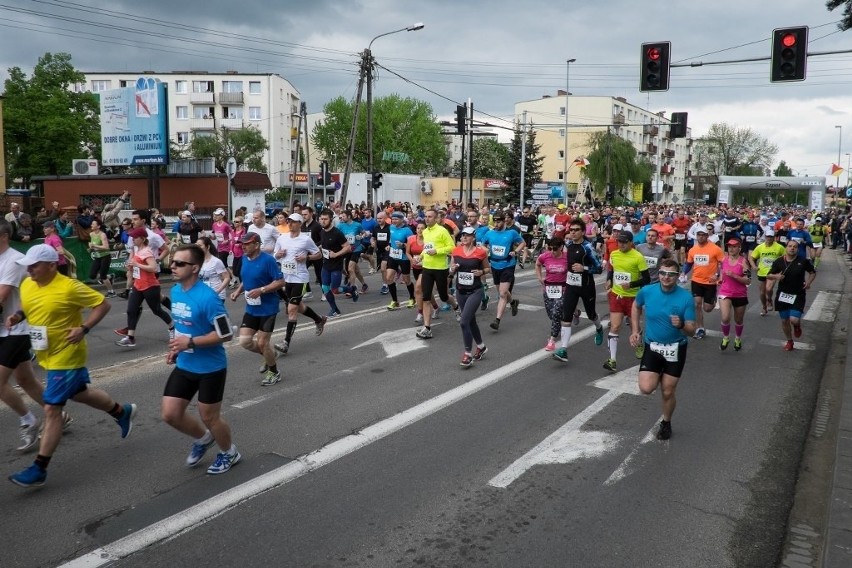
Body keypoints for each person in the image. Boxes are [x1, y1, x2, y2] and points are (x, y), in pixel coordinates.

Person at [8, 245, 136, 488]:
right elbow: (27, 306)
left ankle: (39, 468)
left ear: (52, 265)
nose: (30, 269)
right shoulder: (27, 284)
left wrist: (84, 328)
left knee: (52, 409)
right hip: (46, 353)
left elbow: (102, 304)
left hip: (67, 355)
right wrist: (17, 316)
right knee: (81, 394)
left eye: (34, 265)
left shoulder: (69, 287)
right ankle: (122, 412)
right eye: (28, 265)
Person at [163, 244, 241, 475]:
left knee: (209, 416)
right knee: (170, 414)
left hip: (210, 367)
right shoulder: (176, 291)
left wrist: (192, 342)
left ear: (195, 268)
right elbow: (182, 325)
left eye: (179, 263)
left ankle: (230, 452)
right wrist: (177, 347)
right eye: (172, 262)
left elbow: (226, 334)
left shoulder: (209, 299)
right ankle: (204, 439)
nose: (173, 266)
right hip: (185, 363)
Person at [0, 221, 72, 453]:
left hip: (16, 328)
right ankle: (60, 414)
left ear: (3, 236)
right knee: (26, 380)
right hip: (6, 329)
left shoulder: (13, 260)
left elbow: (2, 296)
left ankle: (29, 421)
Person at [629, 258, 696, 441]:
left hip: (676, 348)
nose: (666, 277)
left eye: (671, 274)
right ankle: (658, 373)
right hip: (653, 346)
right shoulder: (647, 291)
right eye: (663, 273)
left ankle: (666, 422)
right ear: (658, 274)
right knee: (646, 388)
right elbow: (635, 306)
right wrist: (635, 331)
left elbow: (692, 330)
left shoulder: (685, 298)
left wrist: (681, 325)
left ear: (677, 276)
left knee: (667, 391)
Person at [230, 232, 286, 385]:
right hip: (252, 308)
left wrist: (261, 290)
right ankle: (270, 355)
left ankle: (274, 372)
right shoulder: (244, 259)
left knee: (262, 343)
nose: (243, 246)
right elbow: (247, 279)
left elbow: (280, 282)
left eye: (247, 243)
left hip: (268, 308)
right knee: (245, 342)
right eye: (242, 243)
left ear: (256, 245)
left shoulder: (268, 260)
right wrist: (237, 291)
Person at [272, 213, 327, 355]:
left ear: (300, 224)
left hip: (300, 278)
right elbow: (275, 255)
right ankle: (319, 319)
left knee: (291, 309)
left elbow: (318, 254)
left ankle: (285, 343)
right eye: (289, 221)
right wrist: (278, 255)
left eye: (294, 222)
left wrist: (306, 257)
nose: (290, 224)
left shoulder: (306, 239)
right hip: (287, 278)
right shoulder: (282, 238)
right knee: (299, 307)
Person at [552, 219, 605, 362]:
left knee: (591, 314)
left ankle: (599, 327)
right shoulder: (568, 245)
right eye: (571, 230)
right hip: (571, 286)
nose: (573, 232)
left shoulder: (588, 247)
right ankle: (563, 349)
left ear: (582, 231)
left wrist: (585, 268)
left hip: (586, 286)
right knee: (565, 317)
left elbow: (599, 268)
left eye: (576, 230)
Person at [115, 227, 175, 348]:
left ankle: (172, 328)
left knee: (156, 310)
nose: (132, 239)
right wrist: (131, 267)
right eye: (132, 237)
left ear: (142, 239)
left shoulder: (147, 252)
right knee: (131, 310)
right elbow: (137, 268)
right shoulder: (137, 250)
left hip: (150, 285)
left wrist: (137, 264)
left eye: (135, 237)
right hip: (138, 285)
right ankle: (130, 338)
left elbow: (153, 268)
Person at [604, 230, 650, 371]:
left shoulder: (638, 257)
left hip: (633, 297)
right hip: (617, 295)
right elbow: (612, 270)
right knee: (615, 327)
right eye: (619, 241)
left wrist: (631, 284)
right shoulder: (614, 254)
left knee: (633, 327)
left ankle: (639, 343)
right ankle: (612, 360)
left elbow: (646, 279)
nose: (621, 244)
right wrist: (609, 280)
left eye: (624, 242)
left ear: (631, 243)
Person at [416, 208, 460, 339]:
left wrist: (437, 251)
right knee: (426, 297)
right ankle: (427, 328)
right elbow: (426, 248)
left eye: (430, 217)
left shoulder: (442, 231)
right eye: (426, 216)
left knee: (444, 297)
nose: (427, 219)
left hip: (440, 268)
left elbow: (452, 247)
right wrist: (421, 256)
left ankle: (456, 307)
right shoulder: (425, 232)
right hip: (427, 268)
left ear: (436, 218)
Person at [767, 240, 816, 351]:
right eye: (790, 246)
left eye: (795, 247)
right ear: (786, 248)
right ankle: (790, 341)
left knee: (793, 319)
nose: (792, 248)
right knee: (784, 320)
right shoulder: (779, 261)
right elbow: (768, 275)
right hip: (783, 294)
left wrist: (808, 283)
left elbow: (812, 272)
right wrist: (776, 277)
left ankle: (797, 326)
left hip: (798, 294)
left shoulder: (803, 261)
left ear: (798, 249)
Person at [450, 227, 490, 367]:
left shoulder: (480, 252)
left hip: (475, 291)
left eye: (467, 236)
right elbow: (451, 268)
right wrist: (452, 269)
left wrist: (481, 272)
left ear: (473, 237)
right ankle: (481, 346)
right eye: (462, 236)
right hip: (460, 291)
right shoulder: (456, 251)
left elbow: (487, 269)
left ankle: (467, 354)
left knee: (463, 322)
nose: (464, 238)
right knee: (471, 322)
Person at [680, 226, 724, 339]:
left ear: (707, 236)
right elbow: (689, 263)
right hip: (696, 280)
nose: (700, 237)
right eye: (698, 235)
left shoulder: (715, 249)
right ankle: (700, 328)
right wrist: (684, 273)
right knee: (697, 304)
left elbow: (723, 264)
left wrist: (718, 275)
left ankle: (713, 299)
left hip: (710, 282)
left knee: (707, 308)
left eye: (703, 235)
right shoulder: (693, 249)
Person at [484, 212, 525, 331]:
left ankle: (497, 320)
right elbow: (482, 244)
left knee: (502, 294)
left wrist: (516, 251)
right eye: (495, 222)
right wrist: (485, 249)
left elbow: (522, 242)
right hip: (495, 265)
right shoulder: (489, 233)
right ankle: (513, 303)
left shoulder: (511, 233)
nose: (496, 224)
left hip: (508, 264)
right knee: (503, 293)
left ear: (504, 221)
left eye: (499, 222)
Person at [318, 209, 358, 317]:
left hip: (336, 265)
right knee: (325, 288)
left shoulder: (337, 233)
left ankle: (351, 289)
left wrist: (336, 254)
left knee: (335, 290)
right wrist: (319, 248)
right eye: (321, 219)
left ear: (331, 219)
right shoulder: (322, 232)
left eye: (325, 219)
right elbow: (325, 244)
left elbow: (348, 247)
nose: (323, 221)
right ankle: (335, 309)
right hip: (326, 264)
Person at [718, 238, 751, 351]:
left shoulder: (743, 261)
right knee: (725, 317)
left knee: (738, 320)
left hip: (740, 294)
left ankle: (737, 338)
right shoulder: (724, 260)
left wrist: (735, 276)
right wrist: (717, 279)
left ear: (739, 248)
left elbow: (748, 280)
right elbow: (721, 275)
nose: (731, 249)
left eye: (734, 246)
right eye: (729, 246)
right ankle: (726, 337)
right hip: (725, 292)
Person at [536, 236, 568, 352]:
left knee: (556, 313)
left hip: (563, 289)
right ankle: (575, 312)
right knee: (551, 314)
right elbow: (538, 264)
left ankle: (552, 340)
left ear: (561, 247)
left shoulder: (567, 258)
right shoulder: (546, 256)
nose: (553, 251)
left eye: (555, 249)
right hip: (548, 289)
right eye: (550, 248)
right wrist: (540, 278)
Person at [749, 228, 785, 315]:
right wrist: (754, 266)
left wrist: (781, 270)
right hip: (761, 272)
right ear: (765, 237)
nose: (769, 238)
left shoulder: (779, 247)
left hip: (773, 272)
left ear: (774, 238)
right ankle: (764, 307)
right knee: (762, 293)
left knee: (768, 289)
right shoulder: (760, 247)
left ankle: (769, 299)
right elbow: (751, 257)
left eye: (771, 237)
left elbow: (785, 258)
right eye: (768, 236)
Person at [385, 212, 416, 310]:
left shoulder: (407, 230)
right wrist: (389, 245)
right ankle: (395, 301)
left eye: (396, 219)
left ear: (402, 220)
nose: (394, 221)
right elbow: (391, 240)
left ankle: (412, 298)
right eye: (393, 219)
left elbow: (412, 245)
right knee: (389, 278)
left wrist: (403, 245)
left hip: (404, 257)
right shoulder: (391, 227)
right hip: (393, 255)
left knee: (406, 280)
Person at [196, 236, 231, 301]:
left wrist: (217, 291)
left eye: (200, 245)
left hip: (216, 295)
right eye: (196, 245)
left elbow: (227, 278)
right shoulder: (197, 261)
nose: (197, 248)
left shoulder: (216, 261)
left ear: (208, 247)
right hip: (204, 294)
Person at [87, 219, 116, 297]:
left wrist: (94, 246)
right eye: (91, 224)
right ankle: (110, 276)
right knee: (92, 275)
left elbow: (106, 247)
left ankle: (111, 292)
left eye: (93, 224)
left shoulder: (102, 235)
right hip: (97, 257)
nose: (91, 225)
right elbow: (93, 246)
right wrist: (90, 249)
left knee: (103, 276)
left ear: (98, 226)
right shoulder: (91, 234)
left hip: (105, 256)